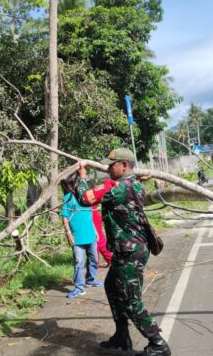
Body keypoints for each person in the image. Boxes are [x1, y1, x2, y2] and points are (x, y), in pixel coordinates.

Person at [76, 148, 171, 356]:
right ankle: (121, 336)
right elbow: (128, 184)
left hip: (129, 252)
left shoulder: (120, 187)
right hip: (126, 250)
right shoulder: (134, 183)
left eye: (112, 164)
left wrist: (82, 178)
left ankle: (158, 343)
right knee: (111, 286)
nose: (108, 168)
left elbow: (85, 199)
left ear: (124, 165)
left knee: (130, 299)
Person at [60, 173, 102, 299]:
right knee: (79, 262)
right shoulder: (68, 198)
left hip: (90, 235)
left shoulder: (86, 197)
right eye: (79, 182)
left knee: (94, 258)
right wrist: (68, 233)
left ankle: (91, 279)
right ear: (74, 184)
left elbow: (89, 215)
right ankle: (79, 287)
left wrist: (95, 230)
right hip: (77, 237)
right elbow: (65, 217)